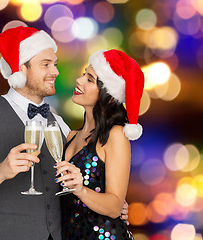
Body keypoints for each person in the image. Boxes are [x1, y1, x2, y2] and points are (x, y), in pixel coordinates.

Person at [0, 26, 129, 240]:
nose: (55, 72)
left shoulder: (60, 125)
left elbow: (89, 177)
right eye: (46, 65)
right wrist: (1, 171)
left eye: (55, 64)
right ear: (20, 69)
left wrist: (112, 203)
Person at [55, 49, 144, 239]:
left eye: (89, 79)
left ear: (109, 95)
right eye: (83, 74)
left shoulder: (116, 135)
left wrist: (80, 190)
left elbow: (114, 207)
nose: (79, 81)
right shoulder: (71, 136)